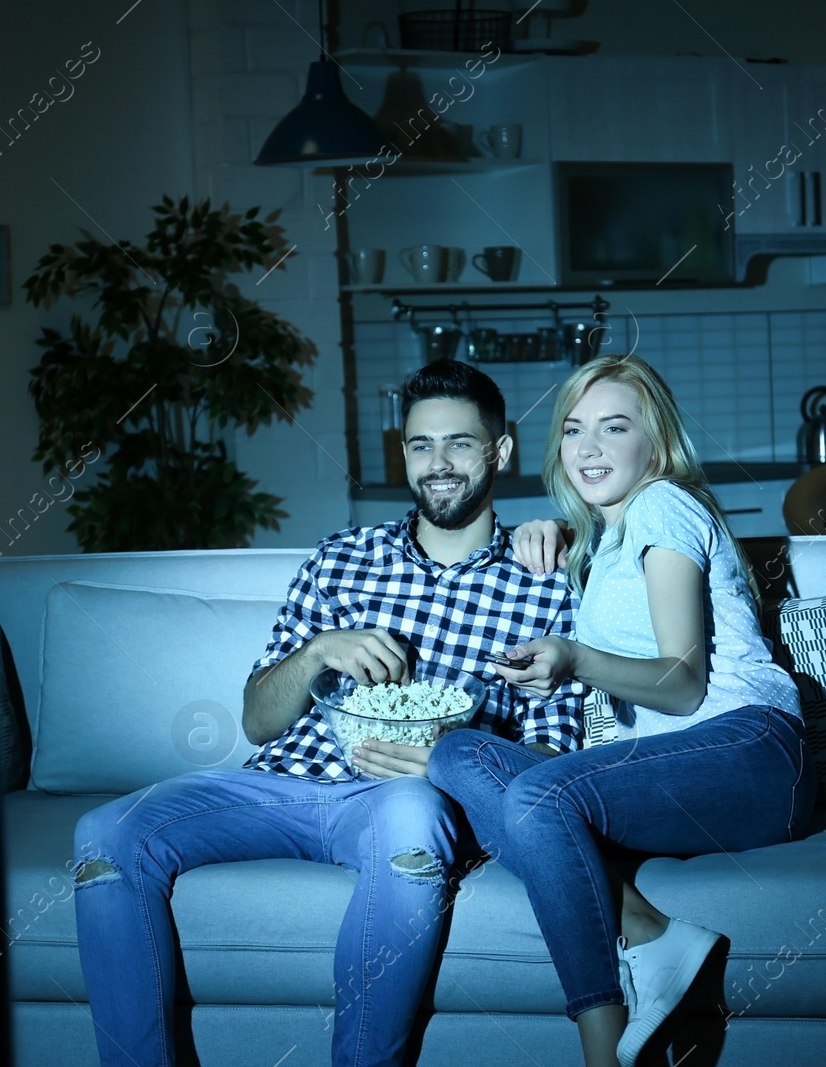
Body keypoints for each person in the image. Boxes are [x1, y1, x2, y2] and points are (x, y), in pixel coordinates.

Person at [72, 359, 587, 1067]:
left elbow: (556, 764)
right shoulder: (341, 557)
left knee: (412, 824)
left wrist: (450, 754)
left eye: (460, 444)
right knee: (104, 832)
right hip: (283, 784)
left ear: (499, 452)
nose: (438, 464)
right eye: (419, 445)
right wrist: (317, 651)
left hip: (402, 800)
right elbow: (256, 719)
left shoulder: (546, 581)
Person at [427, 353, 814, 1067]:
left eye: (614, 427)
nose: (590, 447)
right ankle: (648, 930)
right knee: (454, 753)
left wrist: (574, 656)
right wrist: (545, 530)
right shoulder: (606, 540)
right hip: (686, 771)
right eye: (574, 429)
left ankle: (602, 1055)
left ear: (654, 440)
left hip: (753, 750)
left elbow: (682, 681)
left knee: (541, 791)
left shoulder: (663, 503)